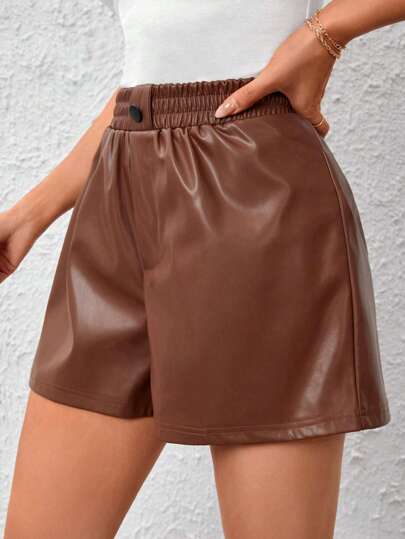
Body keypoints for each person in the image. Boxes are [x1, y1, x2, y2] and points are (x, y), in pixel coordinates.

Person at [0, 0, 402, 537]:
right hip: (120, 185)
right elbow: (158, 68)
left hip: (253, 194)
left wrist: (325, 33)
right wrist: (27, 216)